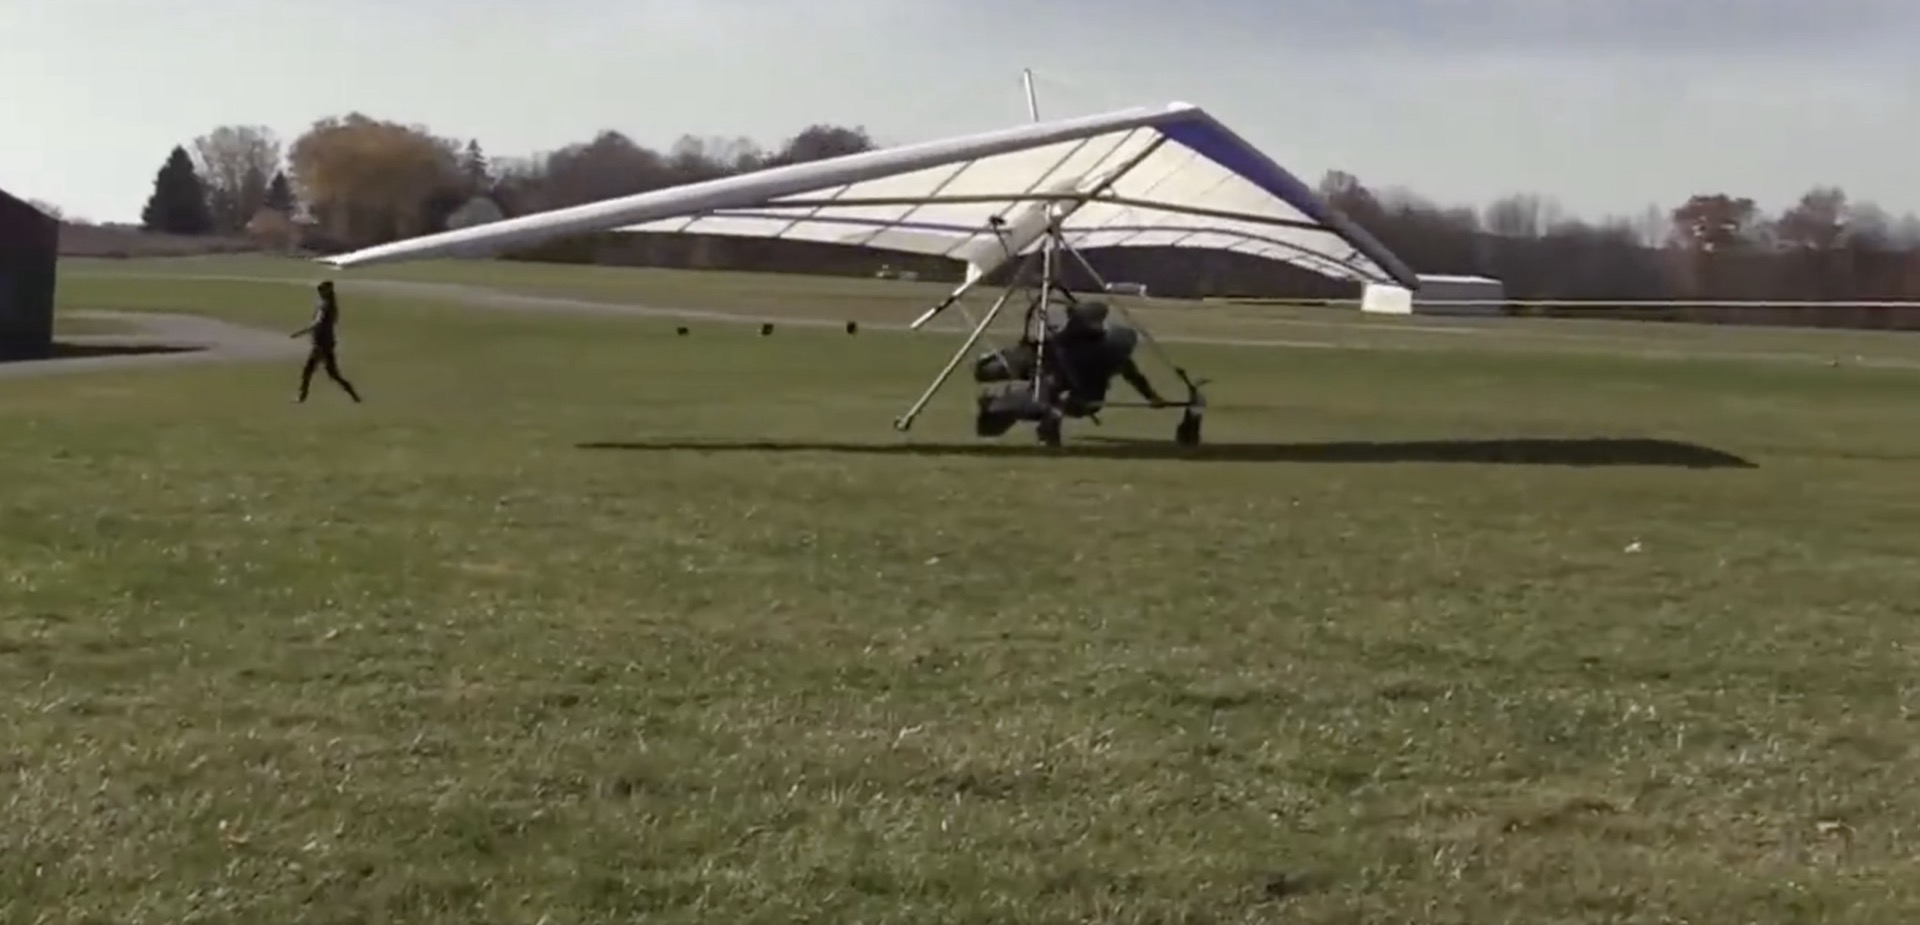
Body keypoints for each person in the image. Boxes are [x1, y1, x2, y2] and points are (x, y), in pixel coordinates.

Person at [973, 299, 1168, 443]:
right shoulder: (1059, 347)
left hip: (1079, 391)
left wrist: (1152, 396)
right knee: (1040, 401)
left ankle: (1045, 419)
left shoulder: (1110, 351)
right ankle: (998, 406)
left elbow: (1131, 373)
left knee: (1081, 404)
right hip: (1050, 377)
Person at [291, 280, 362, 403]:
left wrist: (301, 332)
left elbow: (318, 323)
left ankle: (302, 397)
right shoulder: (330, 304)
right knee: (333, 374)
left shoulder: (326, 305)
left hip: (321, 344)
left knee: (308, 371)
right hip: (327, 342)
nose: (319, 292)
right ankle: (353, 395)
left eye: (321, 289)